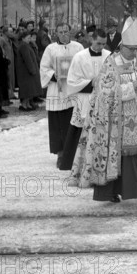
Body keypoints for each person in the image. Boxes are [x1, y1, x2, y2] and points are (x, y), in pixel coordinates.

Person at [71, 16, 137, 209]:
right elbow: (103, 94)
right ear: (121, 46)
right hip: (114, 124)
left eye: (136, 49)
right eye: (130, 49)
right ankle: (111, 192)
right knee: (111, 157)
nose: (133, 53)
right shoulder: (110, 64)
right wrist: (131, 88)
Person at [59, 29, 110, 171]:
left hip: (104, 100)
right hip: (85, 99)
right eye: (98, 43)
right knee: (80, 130)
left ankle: (100, 165)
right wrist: (91, 83)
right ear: (91, 39)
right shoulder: (80, 57)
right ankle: (77, 165)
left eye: (104, 44)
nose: (101, 47)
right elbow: (72, 81)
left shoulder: (109, 56)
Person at [40, 23, 84, 167]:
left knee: (73, 121)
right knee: (58, 124)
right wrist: (55, 75)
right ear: (56, 33)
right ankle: (61, 153)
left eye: (66, 31)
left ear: (70, 32)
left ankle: (75, 153)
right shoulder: (50, 49)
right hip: (57, 89)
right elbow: (44, 67)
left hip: (73, 89)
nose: (64, 34)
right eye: (61, 32)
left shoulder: (78, 47)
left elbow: (83, 64)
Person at [15, 30, 42, 111]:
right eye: (28, 37)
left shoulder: (25, 45)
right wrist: (32, 70)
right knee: (27, 90)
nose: (30, 39)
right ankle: (24, 104)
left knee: (29, 90)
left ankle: (27, 104)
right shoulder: (24, 46)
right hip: (26, 72)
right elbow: (28, 59)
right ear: (23, 38)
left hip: (27, 72)